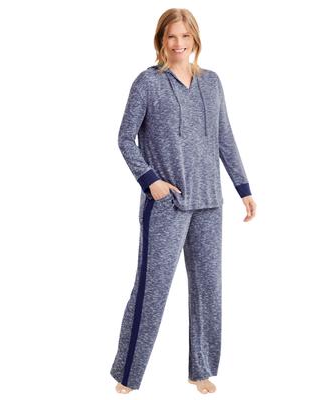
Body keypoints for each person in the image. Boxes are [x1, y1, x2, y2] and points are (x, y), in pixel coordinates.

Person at [110, 8, 257, 395]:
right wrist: (150, 180)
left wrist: (243, 188)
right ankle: (128, 373)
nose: (178, 44)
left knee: (208, 290)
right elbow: (125, 138)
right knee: (152, 289)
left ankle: (200, 369)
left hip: (210, 202)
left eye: (185, 36)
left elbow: (224, 137)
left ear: (195, 39)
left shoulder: (212, 82)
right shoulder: (148, 83)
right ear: (161, 40)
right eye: (171, 36)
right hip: (167, 204)